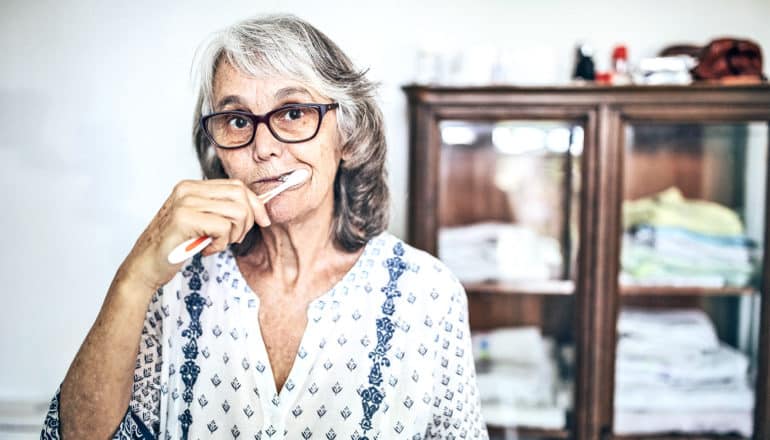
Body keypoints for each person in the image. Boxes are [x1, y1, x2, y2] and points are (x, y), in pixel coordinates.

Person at [41, 14, 487, 440]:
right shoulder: (173, 286)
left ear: (347, 137)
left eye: (293, 112)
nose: (264, 148)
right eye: (237, 121)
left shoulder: (428, 295)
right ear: (219, 152)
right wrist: (135, 276)